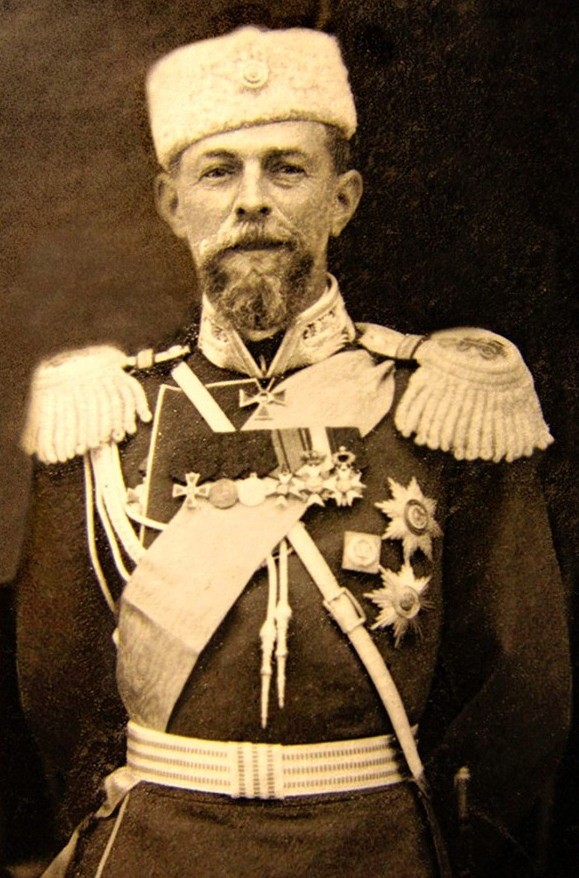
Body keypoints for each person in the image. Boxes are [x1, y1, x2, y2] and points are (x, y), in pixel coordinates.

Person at [16, 25, 570, 878]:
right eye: (218, 171)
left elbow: (522, 683)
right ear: (172, 205)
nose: (251, 201)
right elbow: (57, 687)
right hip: (156, 849)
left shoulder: (447, 404)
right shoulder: (104, 415)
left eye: (285, 169)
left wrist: (438, 843)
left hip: (375, 849)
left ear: (342, 199)